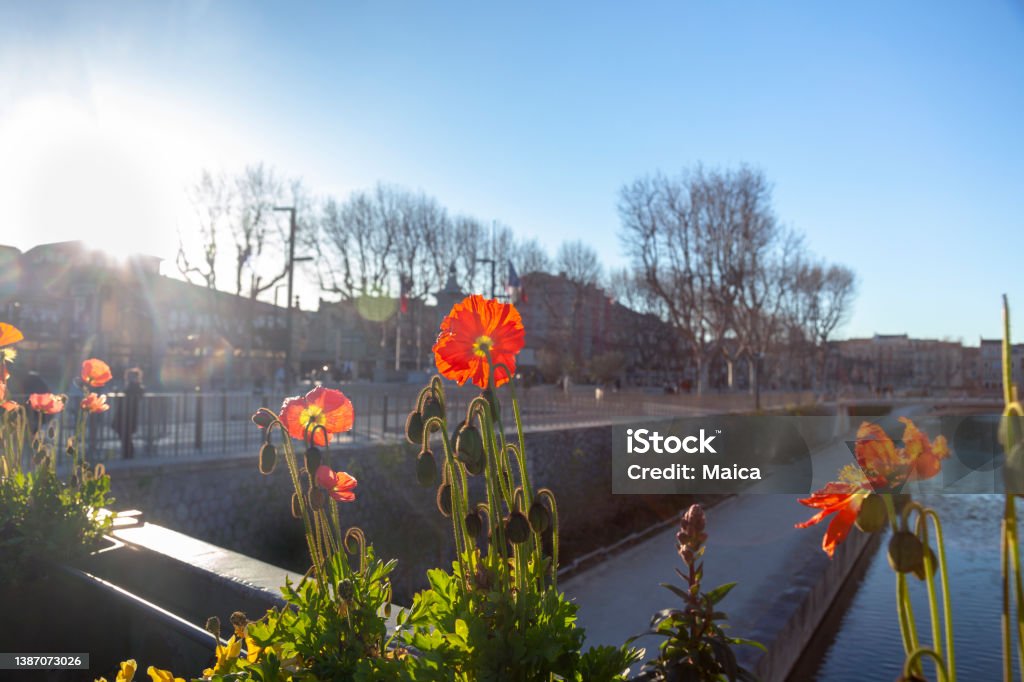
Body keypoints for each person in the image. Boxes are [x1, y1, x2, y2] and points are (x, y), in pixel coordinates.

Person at [114, 368, 144, 459]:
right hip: (124, 413)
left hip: (128, 414)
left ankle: (128, 453)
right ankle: (127, 452)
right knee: (124, 433)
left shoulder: (135, 386)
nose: (129, 378)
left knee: (125, 433)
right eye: (129, 376)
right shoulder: (132, 386)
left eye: (132, 376)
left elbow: (136, 395)